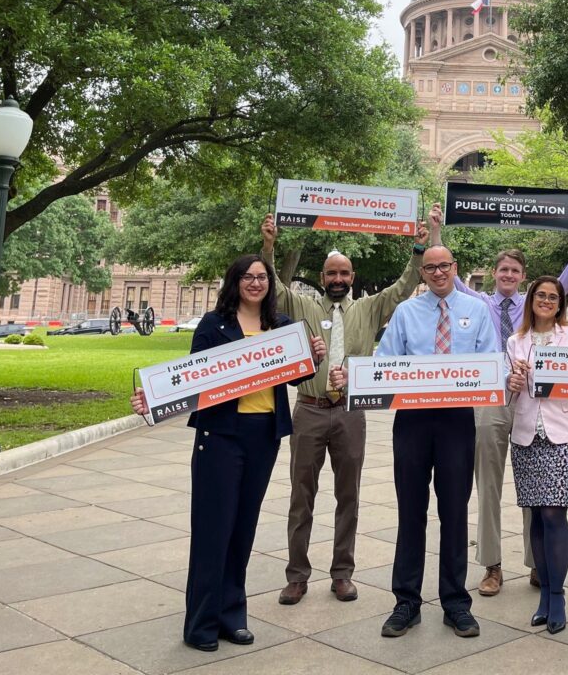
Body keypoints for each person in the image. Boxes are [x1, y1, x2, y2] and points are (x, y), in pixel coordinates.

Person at [131, 255, 325, 652]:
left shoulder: (282, 327)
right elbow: (190, 377)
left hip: (263, 436)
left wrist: (314, 356)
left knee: (242, 529)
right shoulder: (212, 325)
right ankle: (201, 623)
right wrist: (151, 398)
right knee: (212, 530)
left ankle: (232, 616)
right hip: (219, 435)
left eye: (262, 277)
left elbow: (298, 376)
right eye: (247, 277)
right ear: (234, 282)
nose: (256, 283)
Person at [260, 211, 431, 607]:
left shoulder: (370, 308)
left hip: (351, 414)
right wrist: (269, 246)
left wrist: (419, 248)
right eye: (331, 274)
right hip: (309, 410)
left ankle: (342, 574)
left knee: (348, 496)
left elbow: (405, 286)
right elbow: (273, 287)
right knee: (301, 496)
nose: (338, 279)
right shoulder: (301, 306)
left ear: (352, 278)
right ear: (322, 278)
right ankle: (297, 576)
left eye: (345, 274)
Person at [331, 245, 496, 639]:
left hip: (458, 420)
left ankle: (456, 602)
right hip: (413, 422)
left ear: (455, 268)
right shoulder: (406, 313)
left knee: (455, 513)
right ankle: (406, 602)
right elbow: (386, 367)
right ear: (422, 273)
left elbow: (491, 362)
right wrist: (352, 380)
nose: (438, 273)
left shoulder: (478, 312)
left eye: (444, 266)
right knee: (411, 513)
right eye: (430, 268)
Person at [430, 202, 568, 596]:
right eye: (503, 270)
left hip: (532, 403)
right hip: (490, 400)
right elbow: (446, 274)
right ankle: (492, 565)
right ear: (495, 273)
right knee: (487, 484)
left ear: (523, 277)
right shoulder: (478, 302)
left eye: (516, 271)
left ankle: (537, 561)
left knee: (533, 484)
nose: (508, 276)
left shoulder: (534, 304)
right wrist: (435, 234)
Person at [505, 276, 568, 634]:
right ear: (531, 301)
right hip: (526, 437)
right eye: (540, 295)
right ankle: (542, 596)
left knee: (555, 512)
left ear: (560, 303)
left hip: (566, 435)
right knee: (537, 517)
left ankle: (557, 594)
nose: (546, 301)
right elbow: (507, 395)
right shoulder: (515, 341)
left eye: (552, 297)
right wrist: (510, 384)